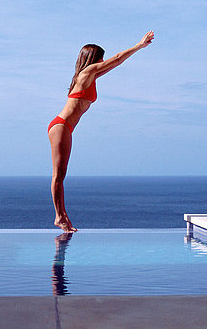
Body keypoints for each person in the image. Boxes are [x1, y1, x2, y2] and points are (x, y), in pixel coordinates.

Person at [48, 31, 154, 232]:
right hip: (60, 126)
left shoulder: (90, 76)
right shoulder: (86, 74)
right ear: (93, 59)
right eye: (100, 58)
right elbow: (116, 59)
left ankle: (61, 216)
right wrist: (139, 45)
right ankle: (59, 216)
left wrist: (133, 52)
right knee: (59, 174)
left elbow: (115, 63)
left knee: (61, 174)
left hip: (65, 127)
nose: (103, 61)